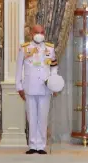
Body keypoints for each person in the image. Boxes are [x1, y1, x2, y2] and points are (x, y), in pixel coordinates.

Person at [16, 23, 58, 155]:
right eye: (37, 32)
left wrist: (54, 83)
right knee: (31, 117)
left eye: (42, 32)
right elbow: (19, 69)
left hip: (45, 88)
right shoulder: (24, 48)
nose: (39, 35)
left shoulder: (50, 49)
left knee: (43, 117)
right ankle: (33, 145)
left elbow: (54, 67)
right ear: (31, 34)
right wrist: (19, 87)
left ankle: (41, 146)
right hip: (29, 87)